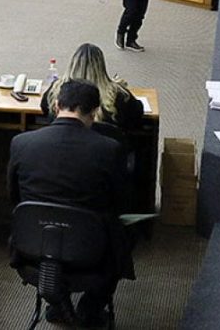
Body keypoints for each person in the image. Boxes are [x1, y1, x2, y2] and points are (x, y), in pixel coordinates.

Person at [8, 79, 134, 327]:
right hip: (90, 251)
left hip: (32, 246)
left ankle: (58, 303)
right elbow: (122, 202)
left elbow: (14, 196)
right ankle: (91, 308)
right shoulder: (109, 149)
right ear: (95, 112)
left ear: (56, 105)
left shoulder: (21, 143)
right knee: (126, 231)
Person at [41, 43, 144, 130]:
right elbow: (136, 115)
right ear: (101, 66)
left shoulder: (56, 89)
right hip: (106, 146)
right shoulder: (119, 94)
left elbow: (44, 108)